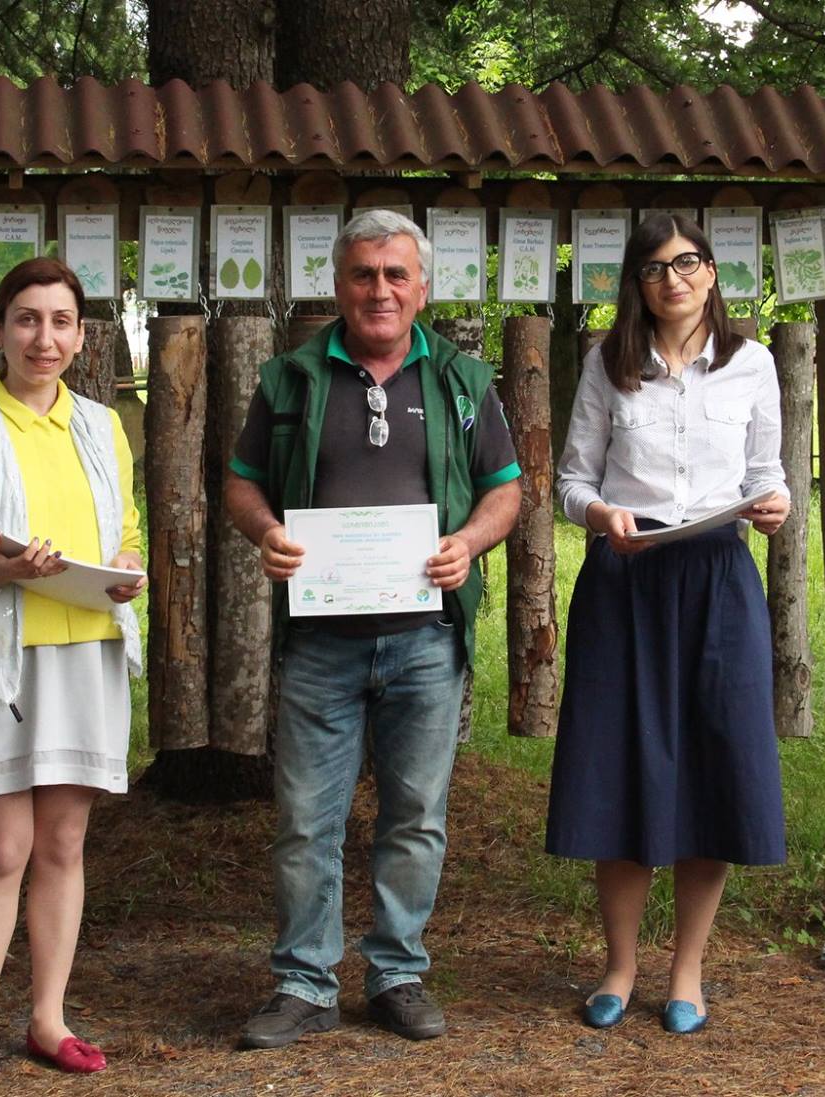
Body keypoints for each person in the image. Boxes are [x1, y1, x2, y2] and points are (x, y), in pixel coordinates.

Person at [223, 210, 523, 1048]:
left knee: (416, 814)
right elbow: (242, 482)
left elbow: (506, 488)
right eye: (364, 274)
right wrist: (267, 531)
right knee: (305, 819)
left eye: (396, 274)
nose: (380, 289)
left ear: (422, 287)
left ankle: (396, 972)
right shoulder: (289, 379)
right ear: (339, 285)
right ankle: (304, 982)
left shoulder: (463, 380)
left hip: (426, 640)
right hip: (321, 642)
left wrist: (469, 542)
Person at [544, 213, 791, 1036]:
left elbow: (767, 474)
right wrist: (601, 513)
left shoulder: (753, 363)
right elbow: (572, 481)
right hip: (627, 580)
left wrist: (775, 504)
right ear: (637, 284)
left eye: (686, 263)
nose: (672, 279)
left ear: (712, 272)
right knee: (619, 768)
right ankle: (619, 966)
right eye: (654, 268)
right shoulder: (607, 363)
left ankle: (687, 970)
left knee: (711, 772)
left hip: (718, 579)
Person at [0, 257, 147, 1092]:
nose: (45, 338)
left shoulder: (102, 426)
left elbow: (126, 534)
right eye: (28, 319)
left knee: (64, 843)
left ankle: (49, 1018)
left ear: (82, 338)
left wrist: (126, 568)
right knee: (3, 847)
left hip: (85, 649)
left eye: (62, 322)